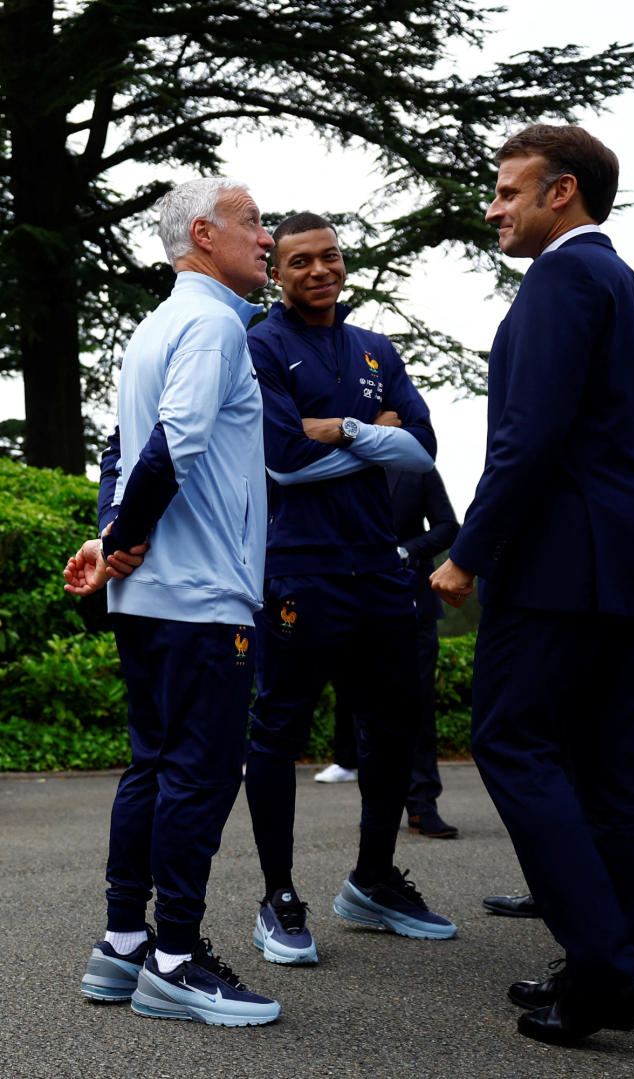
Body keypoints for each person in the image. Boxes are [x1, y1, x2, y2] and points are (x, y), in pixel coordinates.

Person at [431, 124, 634, 1045]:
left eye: (507, 191)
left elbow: (527, 442)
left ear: (560, 192)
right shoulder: (622, 282)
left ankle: (607, 968)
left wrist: (468, 552)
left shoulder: (564, 280)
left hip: (560, 572)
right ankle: (603, 960)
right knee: (609, 771)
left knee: (512, 744)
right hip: (626, 569)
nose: (493, 207)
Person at [64, 178, 281, 1027]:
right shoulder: (215, 323)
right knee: (196, 772)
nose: (266, 237)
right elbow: (175, 441)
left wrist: (110, 535)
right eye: (254, 222)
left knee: (151, 765)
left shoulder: (152, 327)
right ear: (204, 232)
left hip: (152, 596)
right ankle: (178, 959)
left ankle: (122, 945)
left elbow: (121, 448)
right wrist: (121, 537)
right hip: (201, 594)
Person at [245, 212, 457, 966]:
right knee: (279, 731)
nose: (319, 271)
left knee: (393, 727)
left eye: (329, 256)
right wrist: (374, 431)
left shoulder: (376, 346)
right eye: (299, 261)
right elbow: (283, 460)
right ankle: (278, 896)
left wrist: (340, 430)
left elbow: (423, 448)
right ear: (276, 272)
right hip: (301, 566)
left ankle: (372, 881)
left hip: (379, 568)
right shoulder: (261, 344)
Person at [482, 351, 634, 938]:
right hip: (561, 578)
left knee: (626, 740)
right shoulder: (563, 366)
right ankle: (572, 882)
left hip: (628, 573)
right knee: (559, 739)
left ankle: (633, 888)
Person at [315, 467, 461, 840]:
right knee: (364, 712)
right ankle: (378, 810)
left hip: (411, 601)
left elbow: (447, 526)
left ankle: (423, 805)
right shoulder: (335, 461)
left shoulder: (417, 466)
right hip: (348, 599)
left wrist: (406, 550)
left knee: (419, 709)